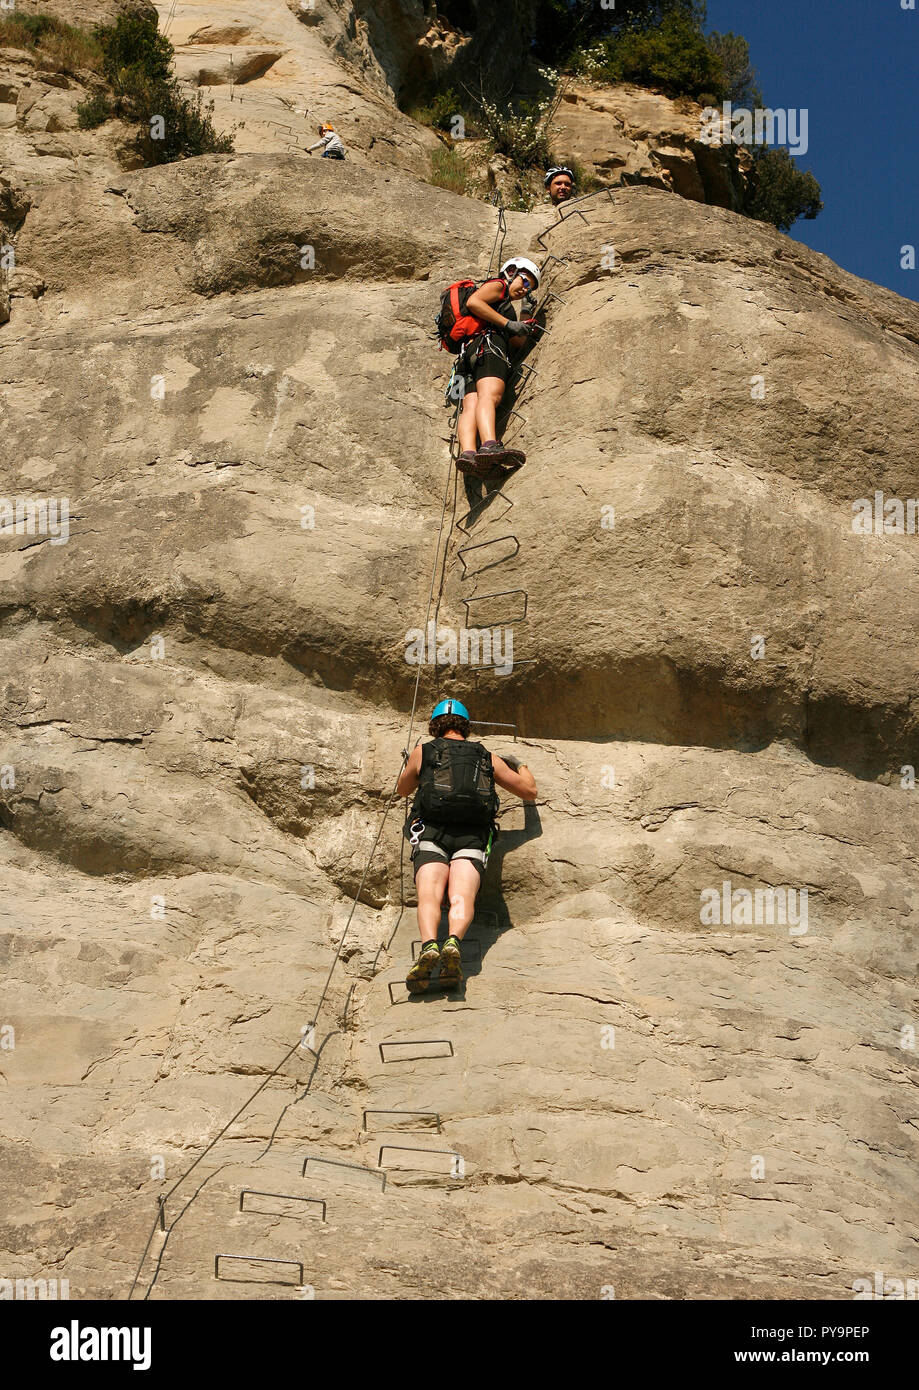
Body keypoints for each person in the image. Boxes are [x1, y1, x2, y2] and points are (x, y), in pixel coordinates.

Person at [397, 698, 538, 992]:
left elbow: (402, 789)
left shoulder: (423, 751)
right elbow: (529, 791)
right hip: (473, 835)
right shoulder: (486, 755)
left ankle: (429, 947)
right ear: (465, 726)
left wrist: (412, 766)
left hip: (431, 831)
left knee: (430, 896)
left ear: (435, 725)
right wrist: (520, 764)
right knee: (461, 896)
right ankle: (453, 941)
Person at [453, 257, 542, 477]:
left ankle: (468, 454)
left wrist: (524, 316)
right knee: (490, 396)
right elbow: (474, 302)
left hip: (467, 358)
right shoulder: (498, 285)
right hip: (489, 349)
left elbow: (517, 342)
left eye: (530, 287)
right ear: (511, 272)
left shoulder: (503, 306)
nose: (525, 289)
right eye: (525, 281)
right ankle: (489, 444)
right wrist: (507, 324)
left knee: (470, 405)